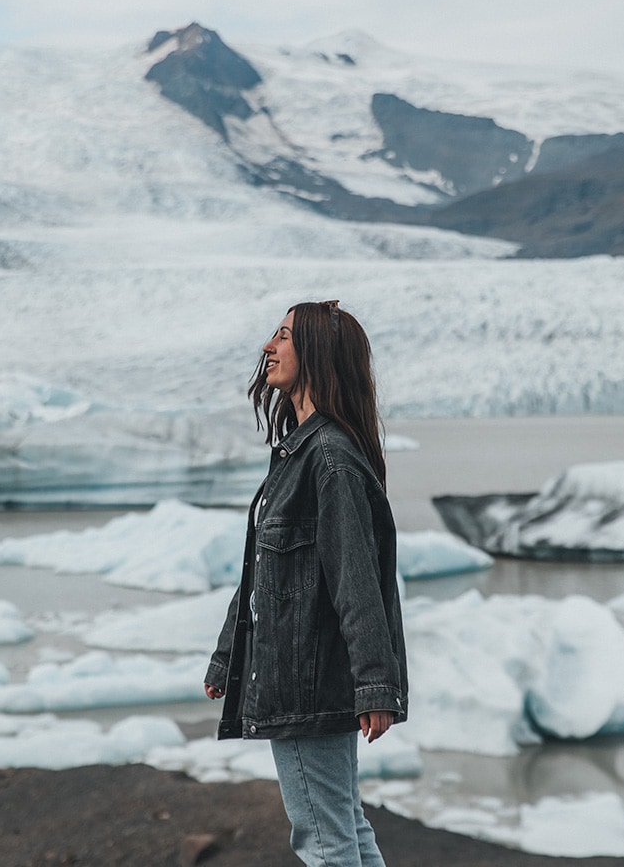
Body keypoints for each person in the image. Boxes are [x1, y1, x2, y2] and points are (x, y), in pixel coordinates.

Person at [204, 300, 408, 867]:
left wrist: (374, 687)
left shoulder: (329, 459)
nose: (269, 346)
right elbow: (264, 572)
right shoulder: (304, 453)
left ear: (316, 352)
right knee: (345, 829)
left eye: (284, 335)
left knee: (322, 837)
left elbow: (357, 580)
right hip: (306, 676)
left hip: (306, 682)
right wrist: (228, 657)